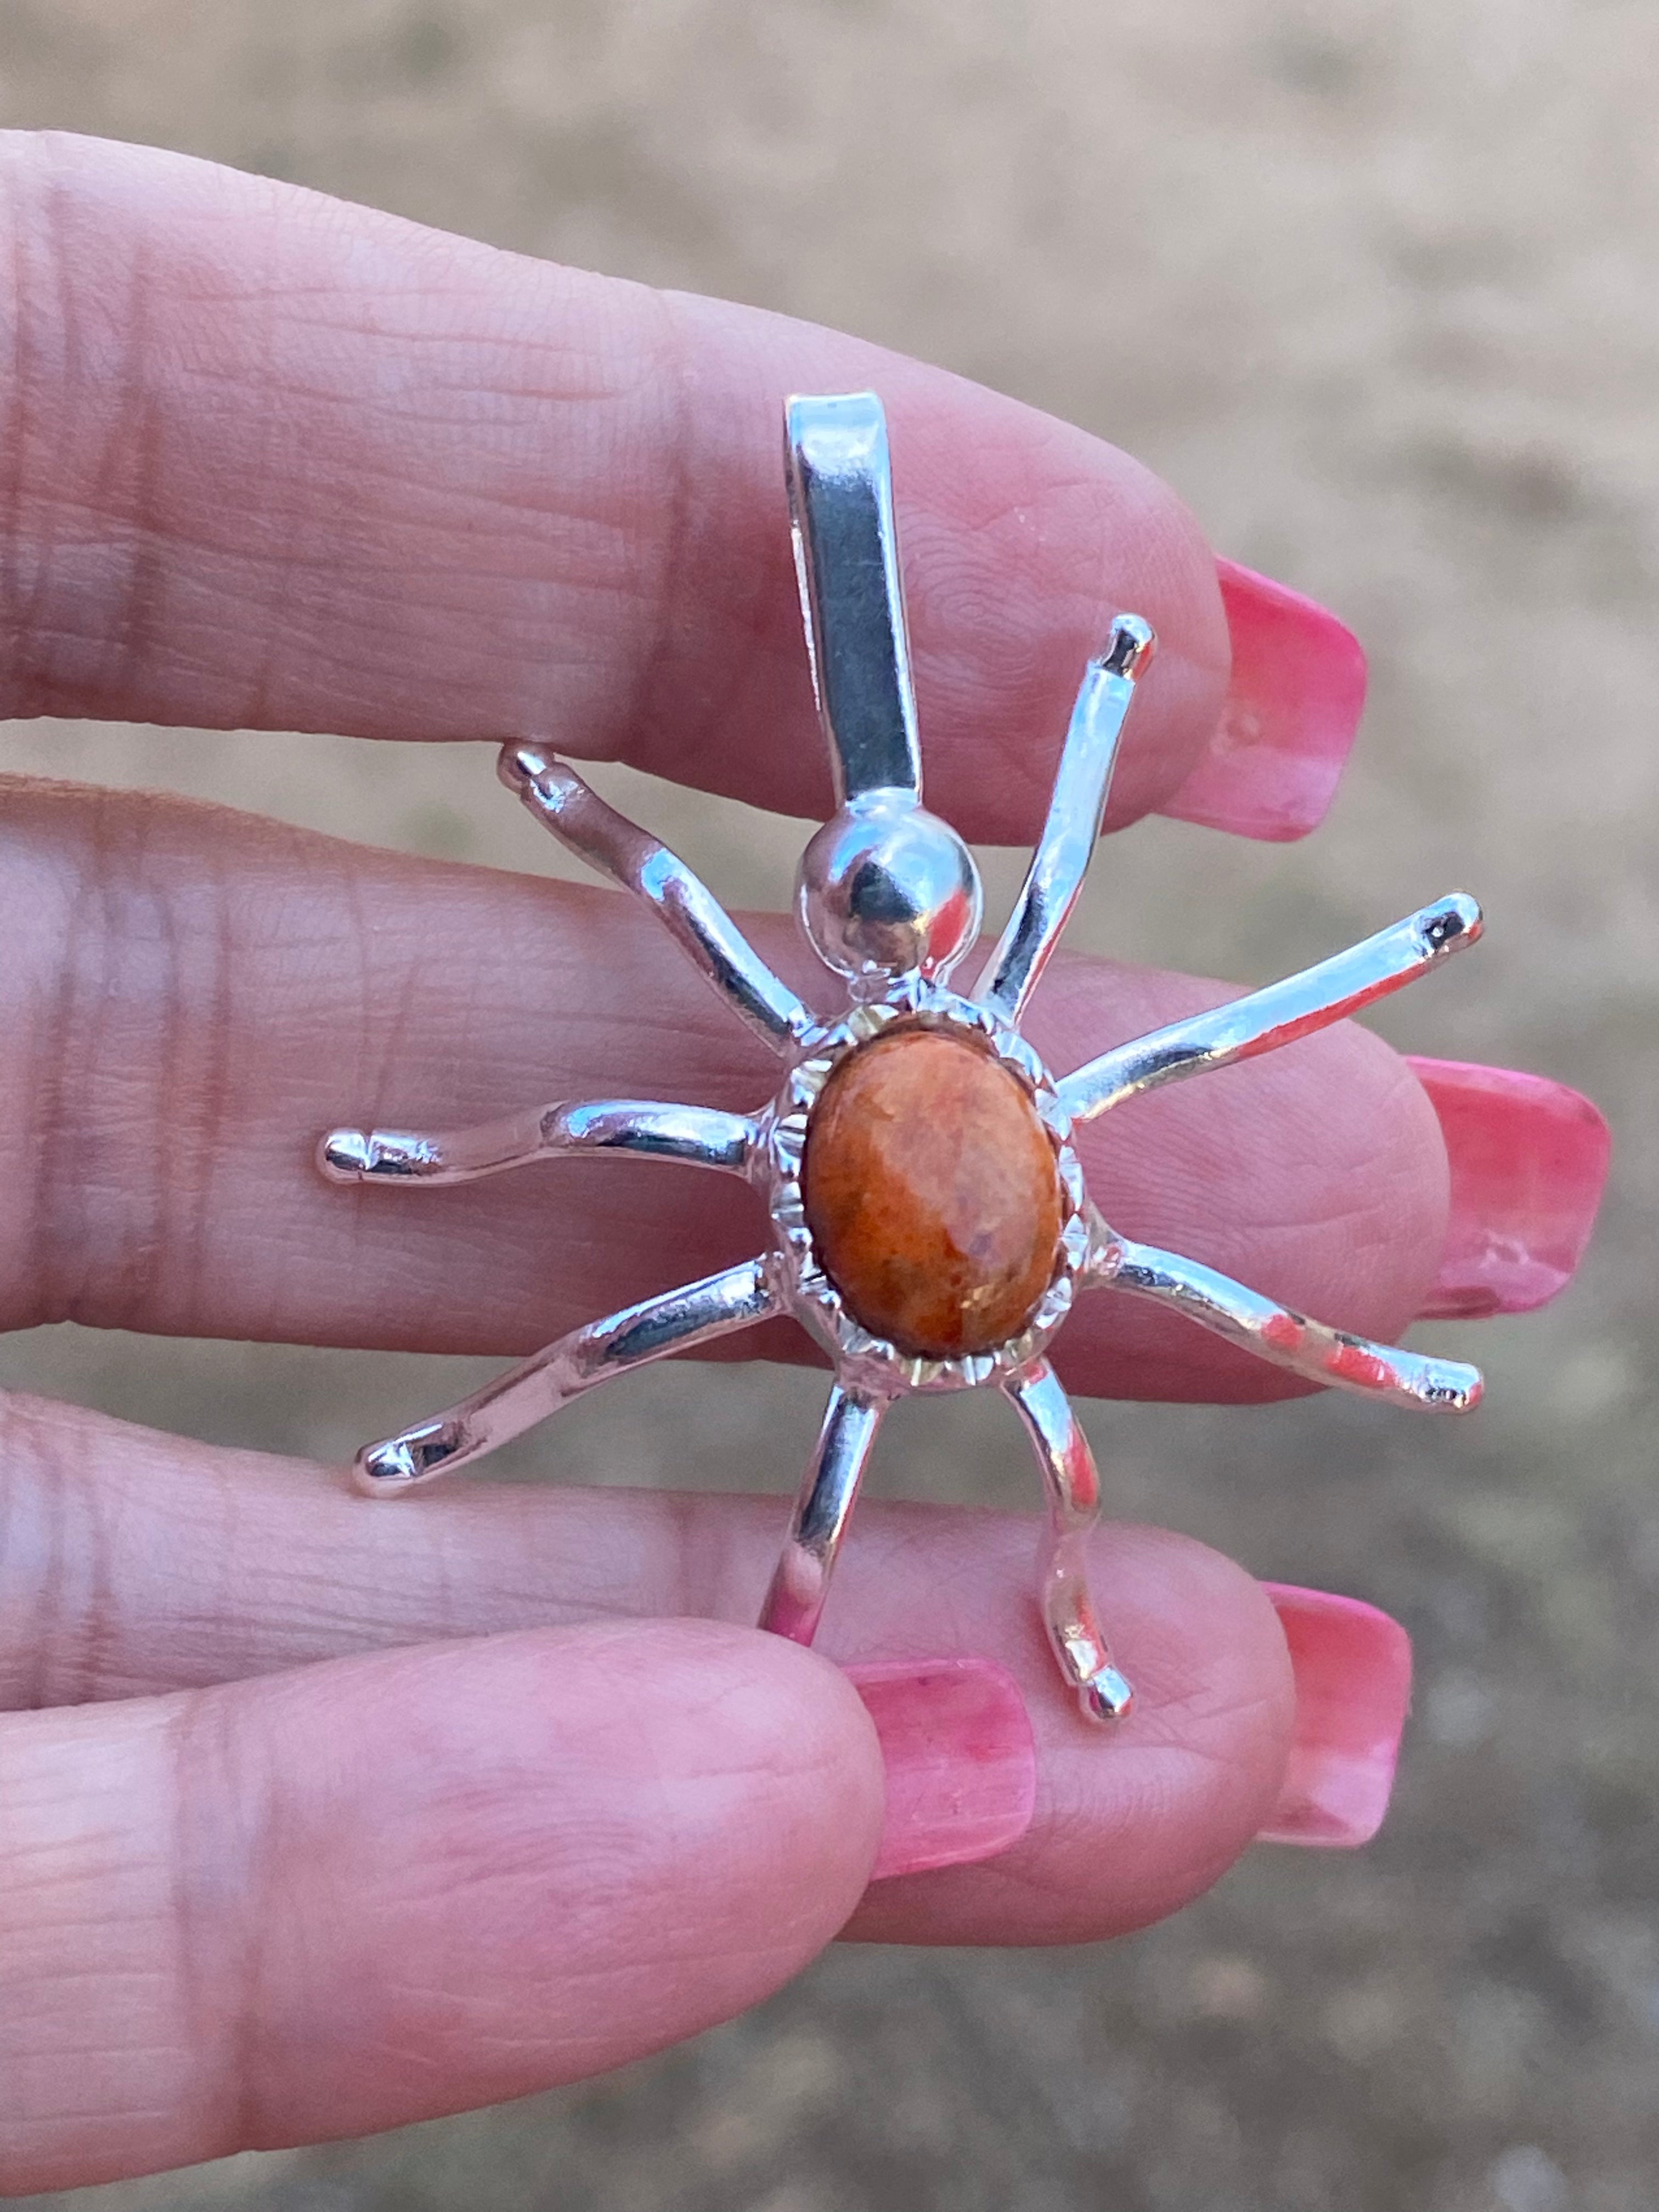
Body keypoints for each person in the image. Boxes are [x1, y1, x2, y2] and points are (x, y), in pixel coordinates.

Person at [0, 131, 1607, 2194]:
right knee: (661, 1301)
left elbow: (1194, 1023)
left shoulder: (975, 1000)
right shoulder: (851, 1017)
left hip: (984, 1266)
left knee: (1121, 1382)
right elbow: (639, 978)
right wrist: (549, 884)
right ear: (877, 911)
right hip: (916, 1264)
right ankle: (807, 1648)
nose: (925, 898)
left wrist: (1220, 815)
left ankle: (1017, 1605)